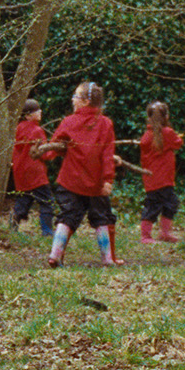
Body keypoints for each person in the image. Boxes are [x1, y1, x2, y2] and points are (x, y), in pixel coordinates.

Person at [33, 81, 119, 268]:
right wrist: (107, 179)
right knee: (102, 218)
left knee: (67, 216)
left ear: (86, 101)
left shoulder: (69, 121)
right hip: (96, 183)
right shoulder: (105, 124)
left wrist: (44, 153)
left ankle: (55, 255)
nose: (72, 99)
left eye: (76, 96)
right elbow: (107, 155)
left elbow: (53, 147)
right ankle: (107, 259)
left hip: (70, 180)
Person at [136, 100, 184, 244]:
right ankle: (152, 235)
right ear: (166, 117)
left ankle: (159, 234)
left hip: (152, 178)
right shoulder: (167, 132)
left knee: (155, 204)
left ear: (149, 117)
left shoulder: (147, 135)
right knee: (167, 204)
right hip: (163, 178)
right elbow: (178, 143)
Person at [10, 99, 54, 236]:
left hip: (20, 172)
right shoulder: (37, 130)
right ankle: (47, 231)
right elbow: (45, 154)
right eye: (36, 111)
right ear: (28, 116)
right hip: (36, 173)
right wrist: (55, 150)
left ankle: (13, 229)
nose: (40, 112)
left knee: (24, 200)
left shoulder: (18, 128)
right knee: (47, 201)